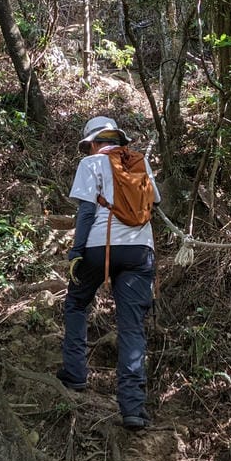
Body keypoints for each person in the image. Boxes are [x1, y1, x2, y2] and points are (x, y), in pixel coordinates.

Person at [57, 115, 161, 430]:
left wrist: (75, 253)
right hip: (139, 249)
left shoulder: (90, 165)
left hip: (98, 247)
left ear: (94, 142)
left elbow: (87, 212)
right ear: (117, 139)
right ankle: (132, 408)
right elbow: (154, 201)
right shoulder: (139, 164)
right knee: (131, 327)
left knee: (76, 303)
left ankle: (75, 374)